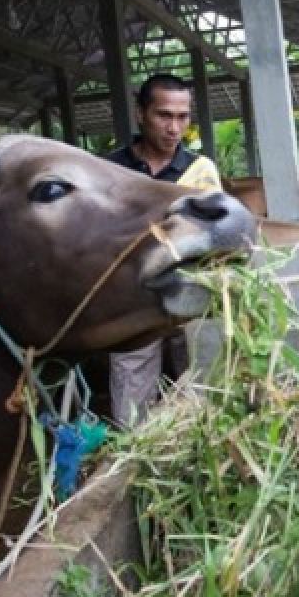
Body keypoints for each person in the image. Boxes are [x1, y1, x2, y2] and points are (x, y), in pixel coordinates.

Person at [104, 73, 222, 424]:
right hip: (132, 303)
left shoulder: (200, 172)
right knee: (131, 405)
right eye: (164, 115)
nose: (174, 128)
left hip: (191, 297)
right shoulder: (109, 171)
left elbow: (216, 236)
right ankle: (133, 466)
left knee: (203, 390)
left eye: (182, 117)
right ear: (141, 114)